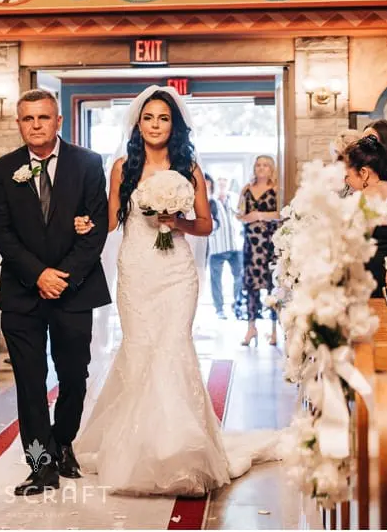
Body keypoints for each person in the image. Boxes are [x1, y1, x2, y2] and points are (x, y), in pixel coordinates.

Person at [72, 86, 278, 496]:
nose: (155, 125)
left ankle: (180, 451)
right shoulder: (123, 167)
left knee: (173, 347)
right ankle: (138, 449)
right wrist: (85, 223)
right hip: (136, 268)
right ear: (138, 124)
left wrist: (175, 221)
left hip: (176, 272)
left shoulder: (189, 166)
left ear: (174, 125)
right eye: (148, 118)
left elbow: (206, 224)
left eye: (163, 118)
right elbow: (111, 220)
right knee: (140, 348)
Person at [0, 89, 111, 496]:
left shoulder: (88, 163)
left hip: (74, 290)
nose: (36, 125)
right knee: (29, 381)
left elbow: (95, 228)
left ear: (58, 121)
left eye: (44, 117)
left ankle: (63, 441)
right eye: (28, 118)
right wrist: (38, 274)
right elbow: (2, 231)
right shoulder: (5, 168)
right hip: (22, 292)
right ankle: (41, 466)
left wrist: (63, 277)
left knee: (74, 374)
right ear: (19, 124)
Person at [339, 136, 387, 296]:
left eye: (347, 176)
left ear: (363, 173)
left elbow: (352, 242)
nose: (346, 181)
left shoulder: (369, 194)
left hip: (375, 279)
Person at [236, 155, 280, 346]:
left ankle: (274, 330)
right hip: (251, 244)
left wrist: (259, 215)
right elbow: (240, 213)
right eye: (258, 165)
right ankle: (251, 328)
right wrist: (244, 217)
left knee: (272, 286)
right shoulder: (246, 189)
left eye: (265, 165)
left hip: (269, 243)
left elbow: (281, 214)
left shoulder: (277, 189)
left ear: (272, 169)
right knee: (251, 287)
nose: (261, 168)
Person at [207, 175, 243, 319]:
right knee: (216, 280)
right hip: (217, 247)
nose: (222, 185)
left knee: (240, 277)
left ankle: (237, 306)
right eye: (220, 183)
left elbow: (241, 216)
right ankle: (219, 309)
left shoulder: (234, 199)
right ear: (216, 185)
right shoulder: (210, 201)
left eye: (225, 182)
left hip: (235, 246)